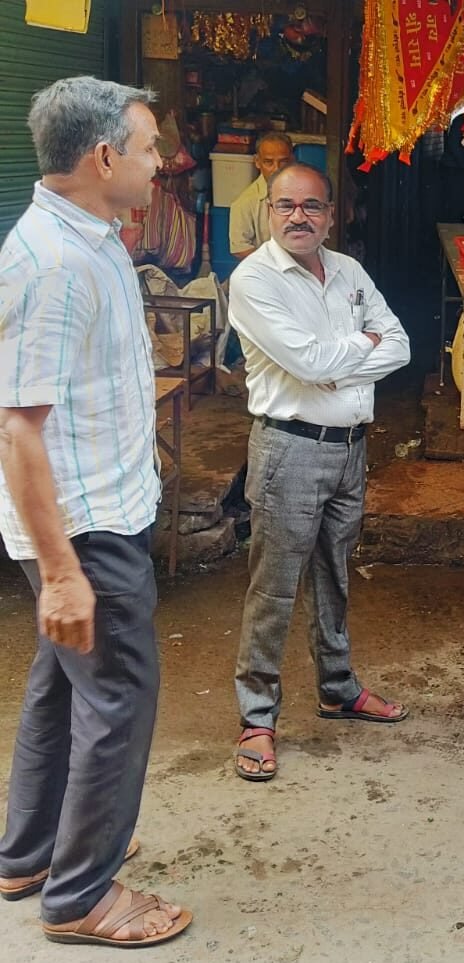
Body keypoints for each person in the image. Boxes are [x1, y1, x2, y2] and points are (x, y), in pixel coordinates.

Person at [0, 76, 192, 947]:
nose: (164, 162)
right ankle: (82, 893)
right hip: (87, 528)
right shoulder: (56, 263)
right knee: (118, 696)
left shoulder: (93, 233)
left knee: (59, 689)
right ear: (104, 156)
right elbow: (18, 431)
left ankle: (32, 851)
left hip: (104, 507)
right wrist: (64, 571)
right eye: (150, 147)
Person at [229, 162, 411, 781]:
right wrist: (360, 347)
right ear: (269, 213)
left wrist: (340, 359)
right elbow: (306, 364)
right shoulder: (255, 281)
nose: (298, 217)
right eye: (286, 206)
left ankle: (337, 687)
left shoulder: (349, 271)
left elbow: (403, 344)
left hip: (350, 448)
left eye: (311, 206)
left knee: (335, 576)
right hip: (289, 450)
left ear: (332, 214)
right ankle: (257, 718)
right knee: (274, 587)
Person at [229, 131, 294, 260]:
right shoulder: (245, 203)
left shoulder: (304, 192)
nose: (276, 169)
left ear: (292, 160)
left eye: (283, 162)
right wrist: (275, 265)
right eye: (269, 162)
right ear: (257, 162)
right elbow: (240, 249)